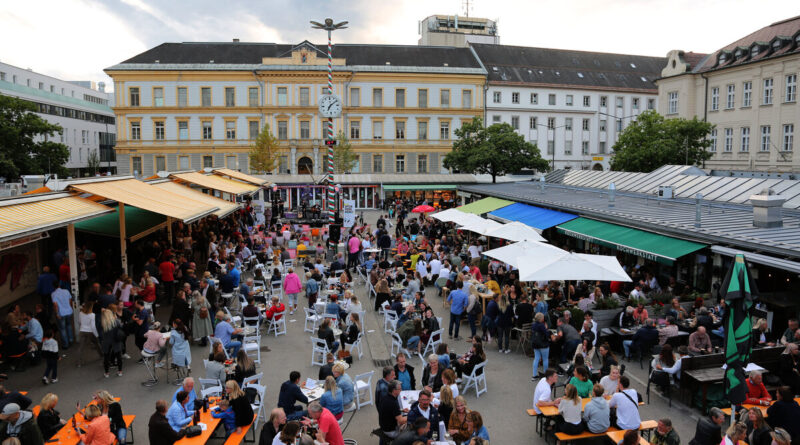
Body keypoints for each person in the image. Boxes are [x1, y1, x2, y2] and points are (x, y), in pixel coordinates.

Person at [99, 308, 124, 378]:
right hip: (116, 340)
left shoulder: (102, 323)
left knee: (106, 358)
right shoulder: (116, 321)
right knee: (119, 356)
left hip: (106, 342)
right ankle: (120, 371)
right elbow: (121, 326)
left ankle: (107, 373)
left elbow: (100, 333)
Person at [76, 302, 101, 367]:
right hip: (90, 332)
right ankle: (101, 354)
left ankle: (79, 363)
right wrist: (97, 335)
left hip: (82, 331)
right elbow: (93, 326)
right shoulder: (92, 315)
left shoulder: (80, 313)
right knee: (96, 343)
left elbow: (79, 322)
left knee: (80, 347)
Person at [51, 282, 74, 349]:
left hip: (61, 313)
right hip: (69, 312)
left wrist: (57, 314)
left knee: (62, 329)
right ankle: (71, 340)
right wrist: (70, 308)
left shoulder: (53, 294)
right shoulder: (66, 291)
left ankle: (65, 344)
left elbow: (55, 305)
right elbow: (70, 300)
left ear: (53, 287)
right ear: (59, 285)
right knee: (69, 325)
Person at [531, 312, 550, 379]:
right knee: (545, 359)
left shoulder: (533, 324)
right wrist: (546, 328)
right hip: (543, 344)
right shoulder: (541, 325)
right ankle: (546, 374)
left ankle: (534, 375)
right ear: (541, 318)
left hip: (535, 344)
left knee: (536, 358)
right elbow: (546, 334)